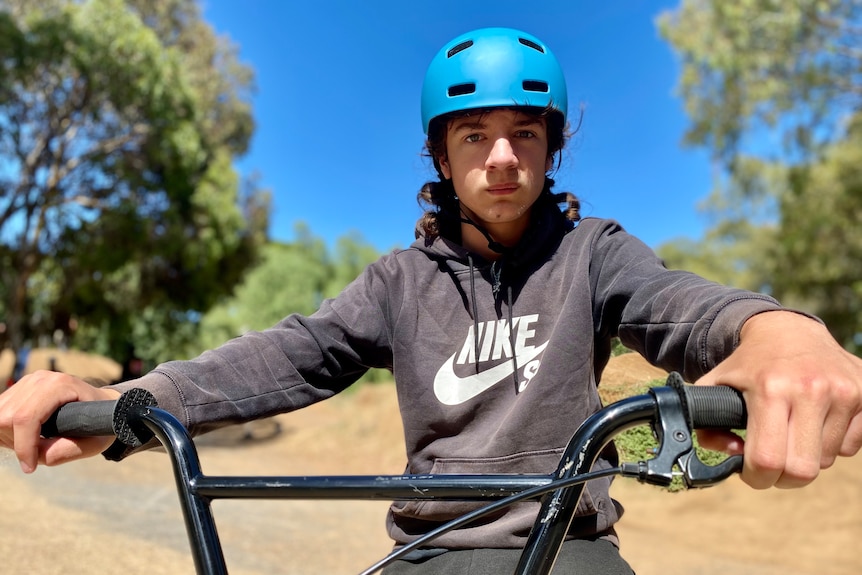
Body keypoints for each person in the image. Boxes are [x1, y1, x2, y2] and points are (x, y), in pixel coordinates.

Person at [1, 27, 861, 575]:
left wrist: (780, 332)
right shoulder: (398, 282)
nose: (500, 157)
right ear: (442, 158)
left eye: (525, 134)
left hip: (571, 547)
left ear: (550, 152)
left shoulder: (592, 254)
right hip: (432, 551)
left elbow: (679, 304)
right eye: (473, 135)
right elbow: (284, 354)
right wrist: (126, 401)